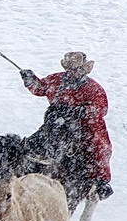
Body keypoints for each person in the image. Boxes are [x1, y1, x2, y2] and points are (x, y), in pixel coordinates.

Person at [19, 51, 113, 199]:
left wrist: (84, 111)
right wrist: (30, 80)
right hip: (56, 123)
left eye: (75, 69)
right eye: (69, 69)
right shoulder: (57, 80)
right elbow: (41, 88)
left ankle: (101, 182)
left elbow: (102, 108)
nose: (72, 72)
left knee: (98, 147)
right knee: (34, 141)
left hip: (84, 126)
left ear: (83, 70)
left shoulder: (93, 88)